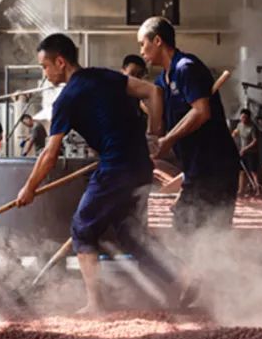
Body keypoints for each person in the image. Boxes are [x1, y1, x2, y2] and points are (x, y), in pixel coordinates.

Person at [16, 33, 180, 315]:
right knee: (130, 235)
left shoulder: (66, 99)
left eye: (45, 66)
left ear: (60, 61)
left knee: (82, 228)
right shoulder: (105, 76)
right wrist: (153, 134)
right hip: (139, 164)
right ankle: (184, 278)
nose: (45, 73)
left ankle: (95, 304)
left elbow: (50, 154)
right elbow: (154, 92)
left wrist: (29, 187)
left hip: (116, 166)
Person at [138, 16, 241, 304]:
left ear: (158, 40)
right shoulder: (163, 80)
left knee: (210, 227)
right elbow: (157, 127)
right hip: (196, 166)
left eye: (143, 43)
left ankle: (221, 290)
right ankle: (202, 278)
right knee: (186, 221)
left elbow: (201, 112)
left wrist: (167, 141)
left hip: (216, 163)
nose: (142, 50)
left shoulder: (187, 68)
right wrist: (151, 139)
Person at [232, 109, 262, 196]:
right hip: (243, 152)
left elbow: (255, 141)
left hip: (252, 152)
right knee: (241, 171)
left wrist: (245, 148)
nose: (242, 119)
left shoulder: (252, 127)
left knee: (253, 171)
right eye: (241, 117)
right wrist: (233, 134)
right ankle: (241, 189)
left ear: (248, 118)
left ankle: (257, 189)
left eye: (244, 117)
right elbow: (236, 131)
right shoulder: (240, 125)